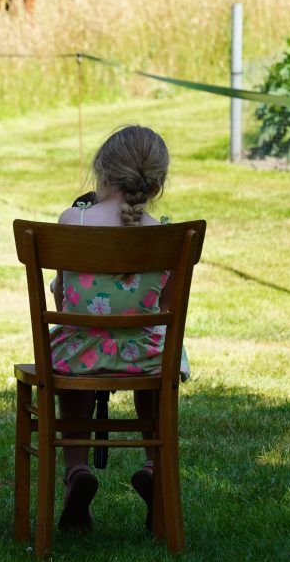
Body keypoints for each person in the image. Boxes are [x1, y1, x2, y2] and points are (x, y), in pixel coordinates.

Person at [48, 125, 191, 533]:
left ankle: (77, 470)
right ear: (157, 182)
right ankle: (153, 465)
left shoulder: (72, 220)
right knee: (159, 342)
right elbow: (165, 309)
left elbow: (63, 303)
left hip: (77, 357)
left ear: (103, 170)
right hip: (146, 359)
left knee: (78, 342)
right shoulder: (165, 234)